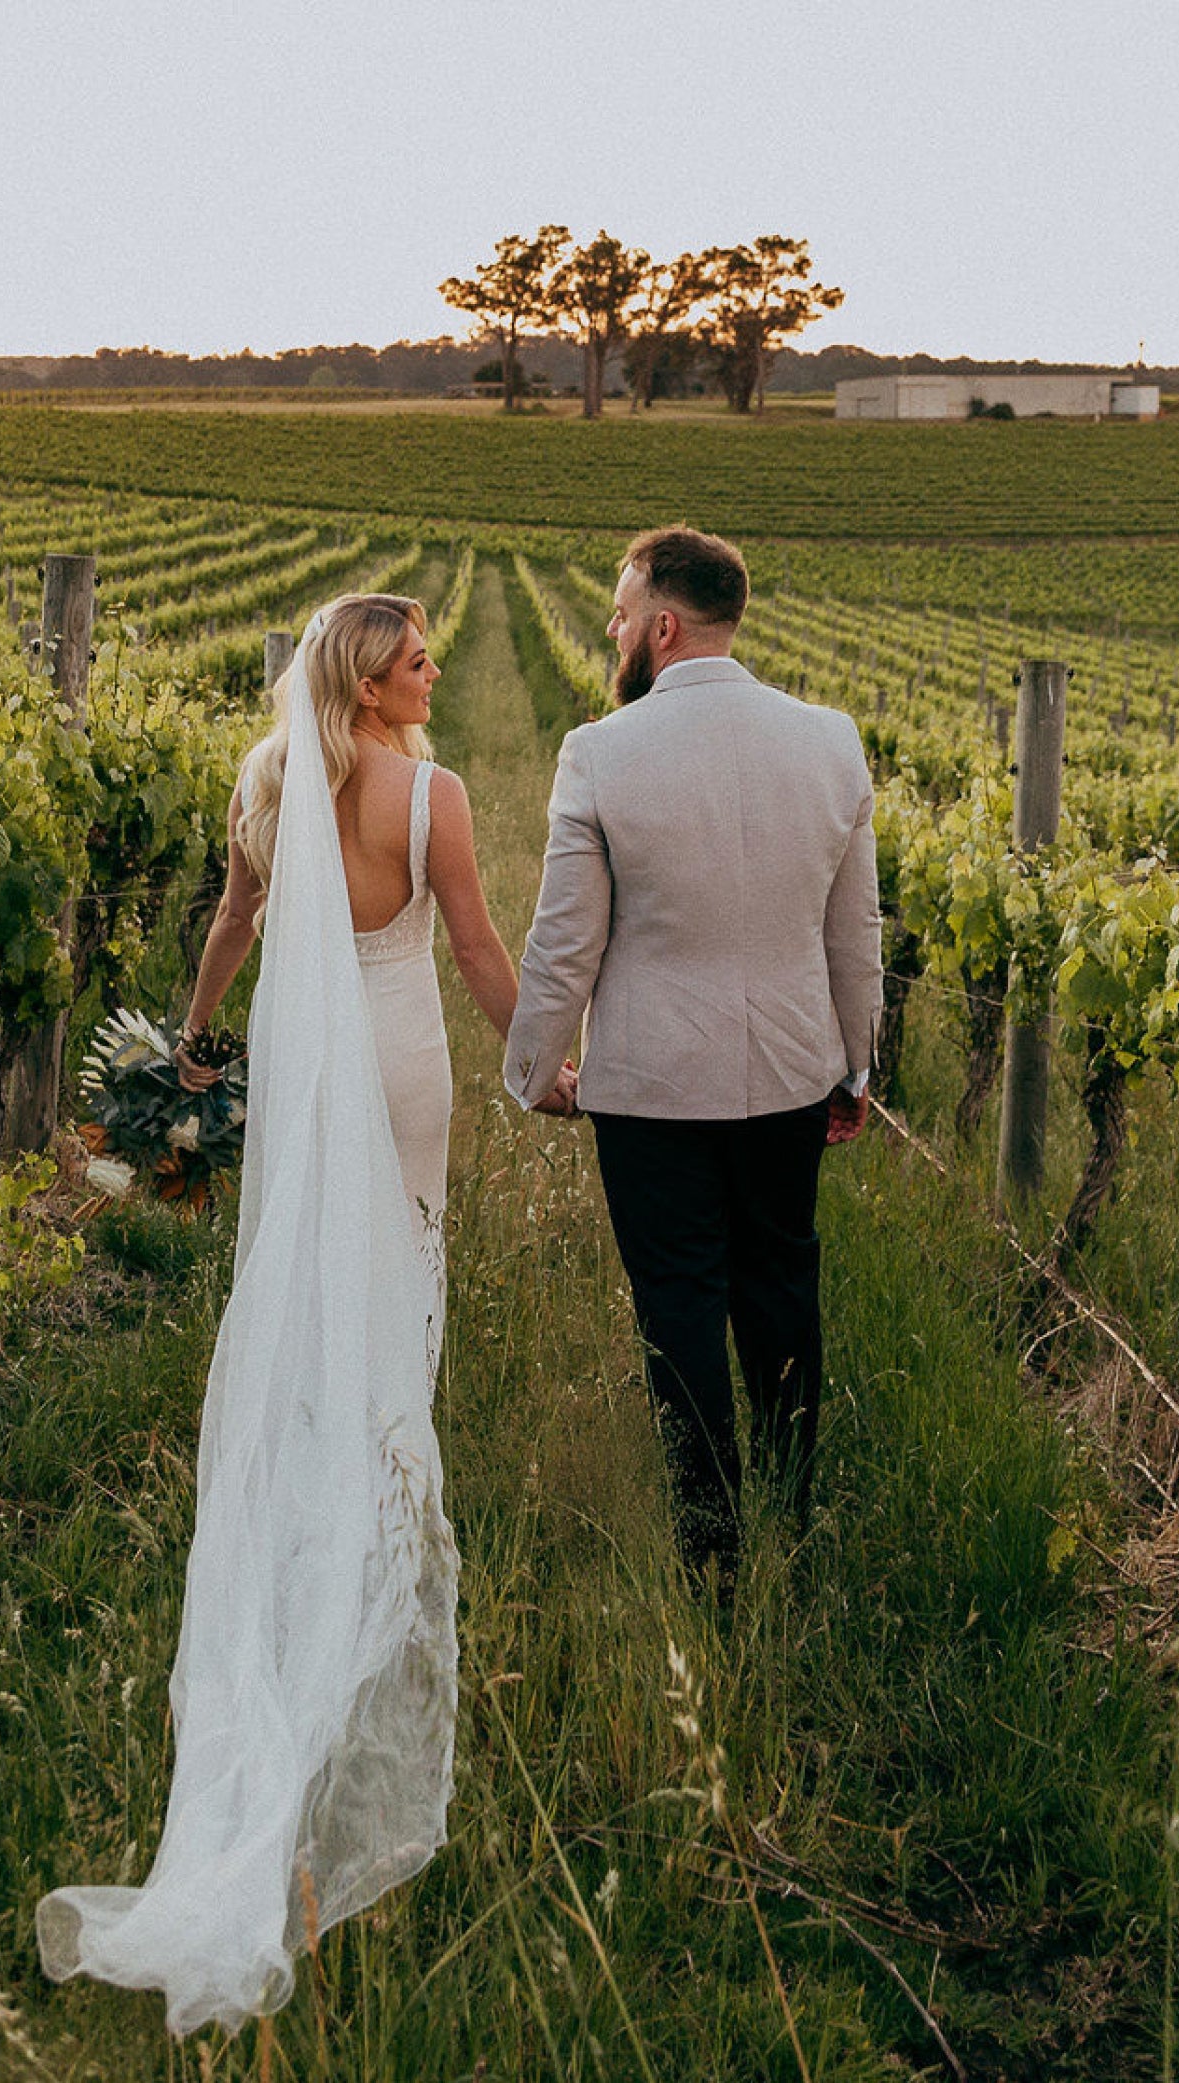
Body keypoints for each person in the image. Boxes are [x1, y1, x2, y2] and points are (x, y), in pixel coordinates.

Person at [36, 592, 532, 2037]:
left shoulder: (267, 781)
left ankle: (317, 1450)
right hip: (402, 1060)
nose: (434, 668)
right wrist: (548, 1062)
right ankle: (379, 1474)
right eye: (418, 655)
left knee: (308, 1268)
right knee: (400, 1286)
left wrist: (195, 1039)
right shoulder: (429, 793)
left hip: (310, 1061)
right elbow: (481, 951)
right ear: (373, 684)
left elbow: (236, 918)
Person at [503, 526, 884, 1584]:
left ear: (663, 627)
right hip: (792, 1076)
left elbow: (565, 939)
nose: (614, 631)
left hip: (651, 1090)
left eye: (622, 615)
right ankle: (793, 1514)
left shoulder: (601, 752)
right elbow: (854, 932)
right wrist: (855, 1066)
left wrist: (533, 1072)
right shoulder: (831, 740)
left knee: (678, 1303)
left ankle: (709, 1545)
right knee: (782, 1285)